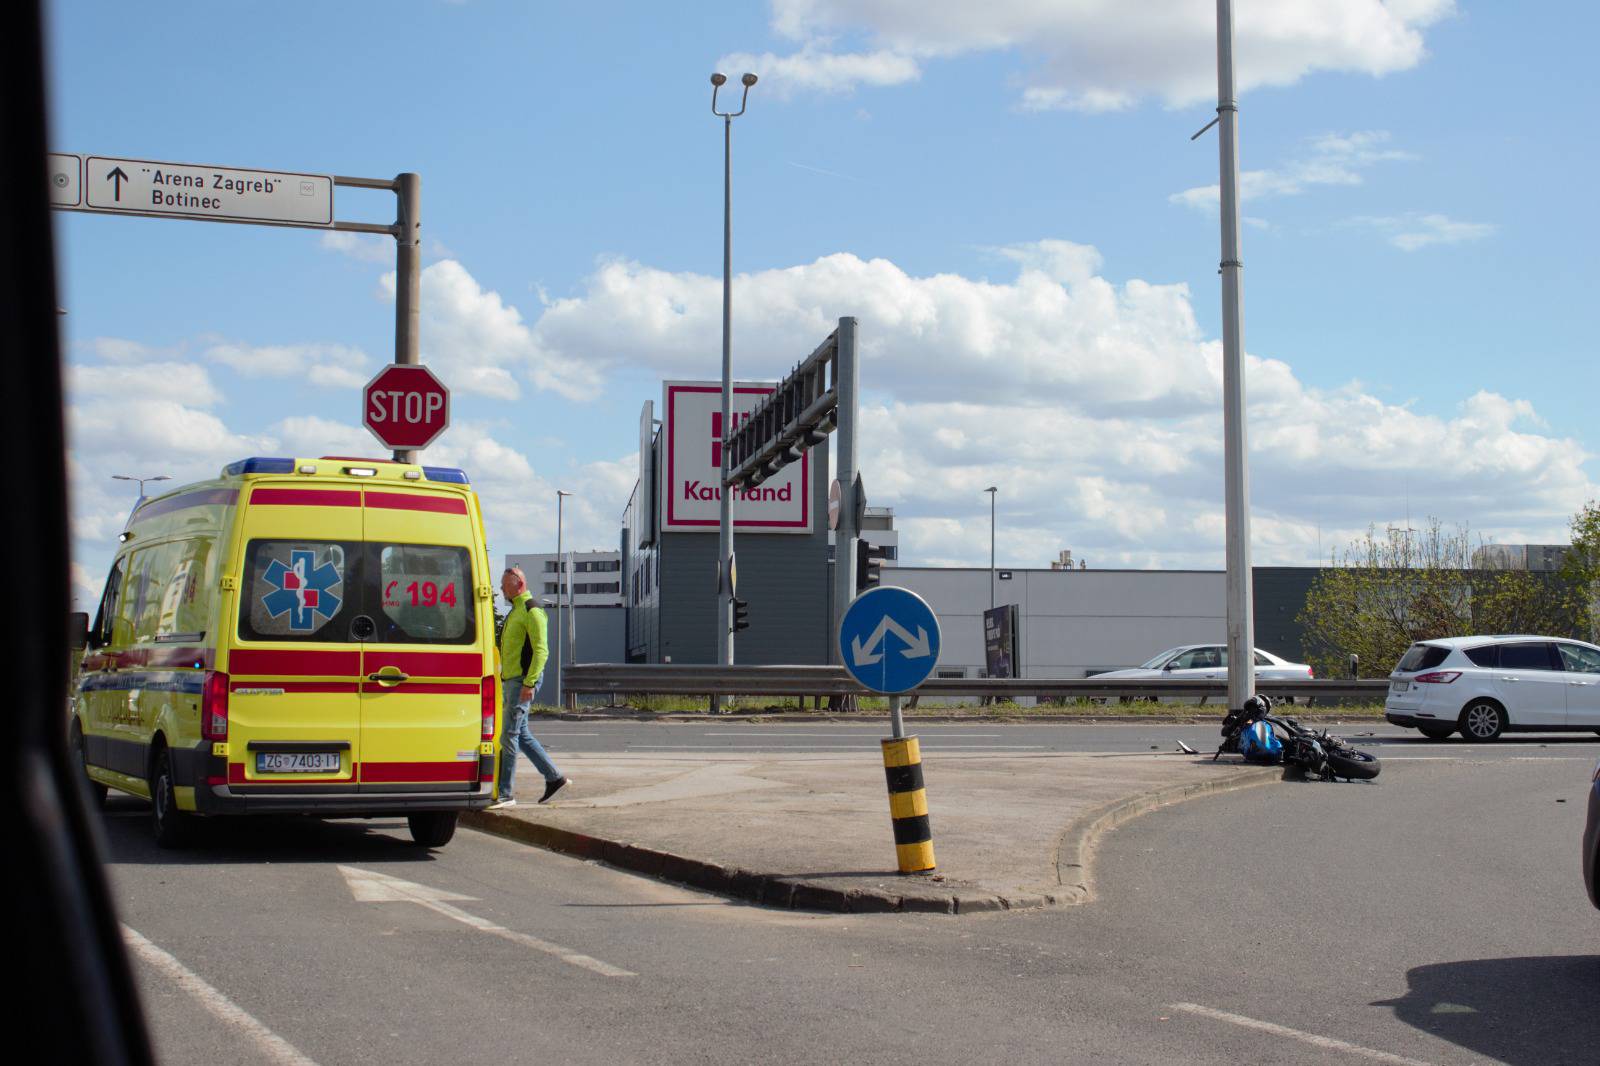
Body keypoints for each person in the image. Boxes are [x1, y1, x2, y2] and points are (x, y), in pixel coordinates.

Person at [487, 566, 568, 808]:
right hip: (513, 680)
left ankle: (505, 794)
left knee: (509, 736)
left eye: (504, 585)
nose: (501, 589)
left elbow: (542, 651)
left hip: (521, 681)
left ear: (519, 584)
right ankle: (554, 777)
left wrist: (529, 683)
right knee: (521, 735)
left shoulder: (532, 610)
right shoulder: (516, 609)